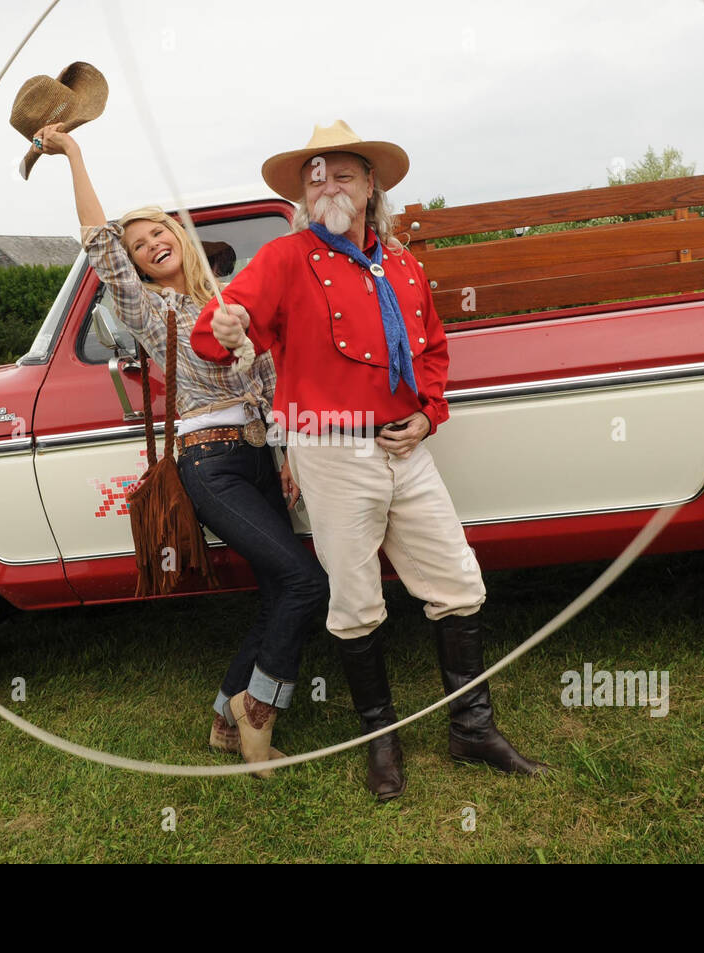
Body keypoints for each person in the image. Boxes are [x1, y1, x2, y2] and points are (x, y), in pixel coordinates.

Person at [191, 120, 551, 801]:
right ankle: (380, 742)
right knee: (355, 606)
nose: (327, 184)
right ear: (304, 195)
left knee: (459, 583)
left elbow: (434, 352)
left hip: (404, 449)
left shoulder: (405, 266)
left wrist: (427, 413)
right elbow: (223, 330)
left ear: (370, 187)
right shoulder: (286, 258)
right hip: (330, 452)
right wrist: (224, 325)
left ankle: (472, 727)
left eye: (342, 173)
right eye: (315, 175)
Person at [33, 122, 328, 777]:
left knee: (283, 586)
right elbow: (96, 243)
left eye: (158, 231)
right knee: (308, 581)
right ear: (135, 264)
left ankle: (225, 718)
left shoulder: (233, 299)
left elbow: (270, 385)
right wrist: (74, 156)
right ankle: (258, 716)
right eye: (139, 245)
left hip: (258, 457)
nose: (149, 244)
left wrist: (288, 460)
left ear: (180, 235)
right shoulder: (149, 309)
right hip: (210, 464)